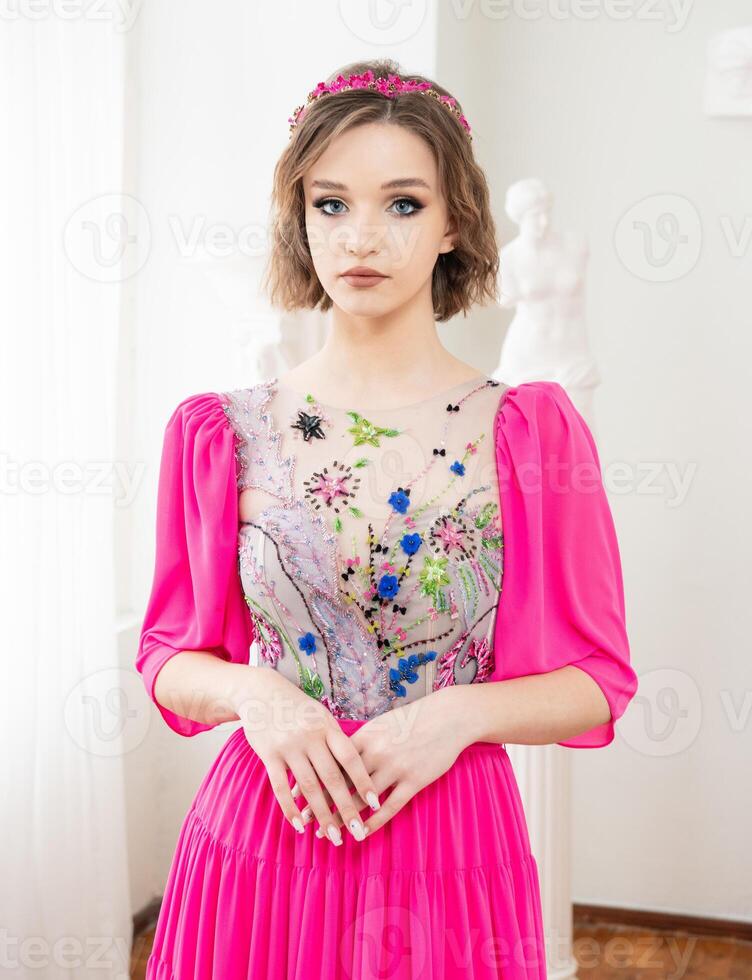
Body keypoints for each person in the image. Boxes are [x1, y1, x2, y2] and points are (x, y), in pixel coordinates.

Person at [136, 58, 638, 980]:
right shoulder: (219, 432)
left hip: (449, 845)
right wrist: (258, 696)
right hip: (260, 836)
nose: (363, 236)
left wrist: (451, 717)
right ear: (300, 220)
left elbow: (599, 681)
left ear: (454, 223)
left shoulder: (529, 430)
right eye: (332, 204)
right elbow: (169, 657)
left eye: (402, 203)